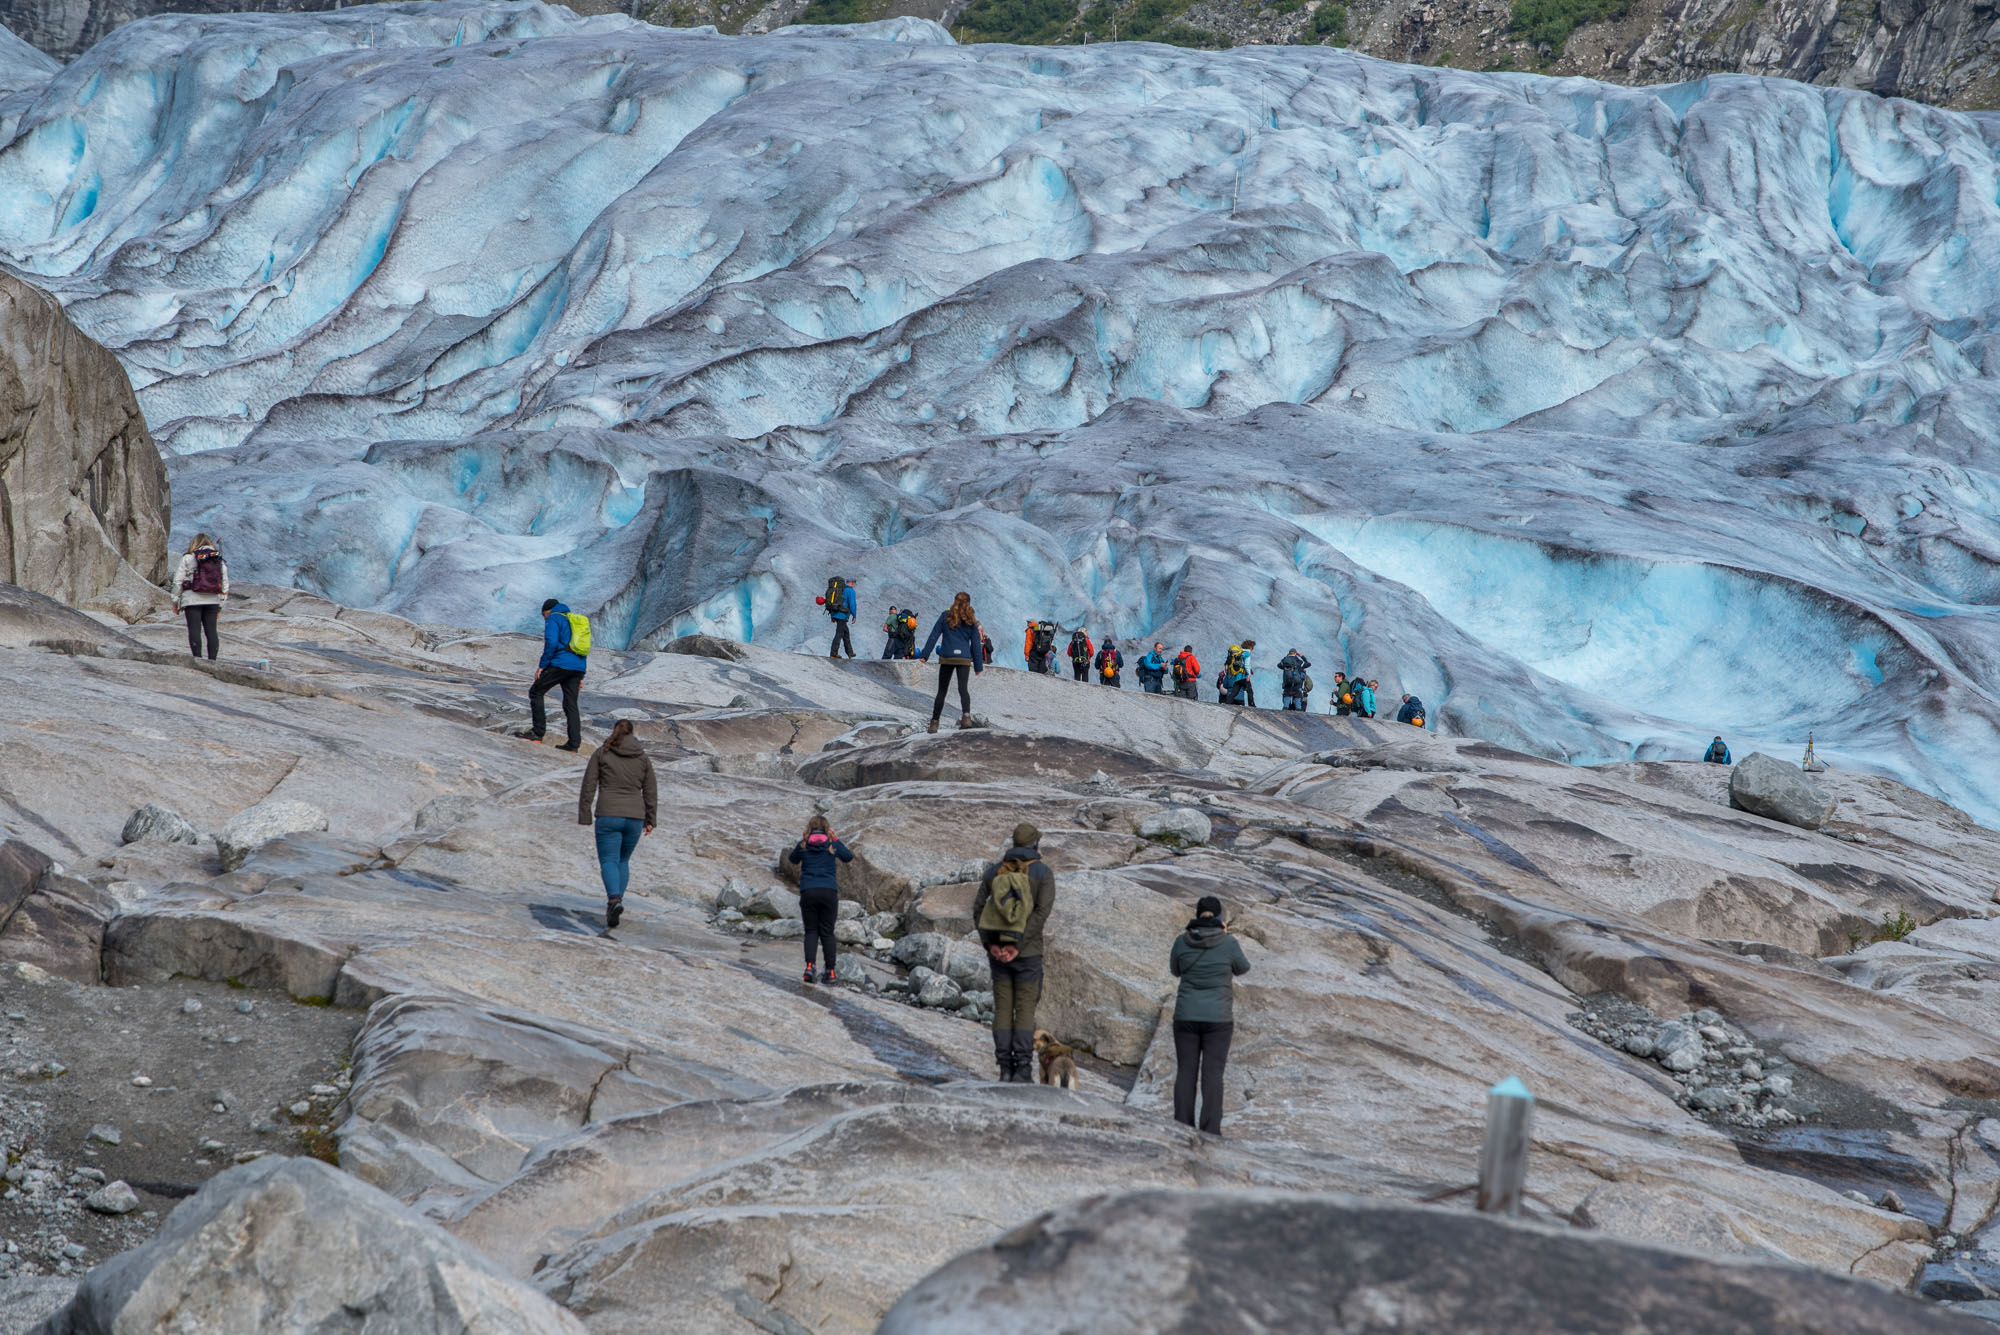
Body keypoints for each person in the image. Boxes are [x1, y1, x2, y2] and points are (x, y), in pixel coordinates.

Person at [972, 821, 1056, 1082]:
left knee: (1003, 1010)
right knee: (1026, 1011)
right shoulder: (1042, 873)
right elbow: (1041, 913)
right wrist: (1016, 945)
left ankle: (1004, 1068)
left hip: (997, 955)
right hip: (1027, 954)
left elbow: (977, 910)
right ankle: (1022, 1068)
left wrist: (992, 945)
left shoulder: (993, 872)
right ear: (1035, 845)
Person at [1169, 895, 1250, 1136]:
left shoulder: (1182, 942)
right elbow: (1243, 968)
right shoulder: (1229, 943)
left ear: (1197, 915)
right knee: (1213, 1075)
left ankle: (1182, 1126)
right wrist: (1224, 936)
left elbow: (1175, 970)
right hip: (1218, 1020)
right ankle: (1211, 1130)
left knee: (1186, 1072)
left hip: (1185, 1017)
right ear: (1219, 918)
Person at [577, 719, 656, 929]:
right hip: (635, 817)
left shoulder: (603, 752)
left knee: (609, 860)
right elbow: (650, 791)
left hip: (608, 814)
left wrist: (584, 814)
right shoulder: (642, 757)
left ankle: (614, 900)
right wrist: (650, 820)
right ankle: (616, 902)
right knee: (623, 861)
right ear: (632, 733)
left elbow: (589, 784)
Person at [789, 815, 854, 984]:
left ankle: (810, 968)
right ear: (827, 829)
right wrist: (836, 839)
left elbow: (792, 859)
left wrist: (802, 840)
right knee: (827, 933)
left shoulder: (804, 845)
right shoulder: (832, 845)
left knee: (811, 931)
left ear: (809, 829)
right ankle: (830, 972)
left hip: (808, 891)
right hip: (828, 892)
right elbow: (848, 857)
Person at [519, 598, 588, 751]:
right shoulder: (574, 620)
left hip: (560, 663)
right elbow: (583, 647)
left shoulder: (554, 618)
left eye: (544, 616)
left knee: (536, 692)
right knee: (571, 704)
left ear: (547, 611)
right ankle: (573, 745)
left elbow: (551, 642)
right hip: (577, 667)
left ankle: (537, 733)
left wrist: (542, 666)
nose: (545, 619)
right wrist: (581, 675)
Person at [917, 591, 986, 733]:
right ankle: (966, 718)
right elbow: (976, 644)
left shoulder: (945, 616)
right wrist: (978, 665)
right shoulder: (971, 620)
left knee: (942, 690)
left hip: (947, 656)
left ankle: (934, 723)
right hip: (964, 658)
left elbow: (934, 635)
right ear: (968, 602)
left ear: (955, 601)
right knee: (963, 689)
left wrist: (925, 655)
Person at [171, 533, 229, 661]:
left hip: (192, 599)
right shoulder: (217, 559)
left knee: (194, 629)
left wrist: (175, 601)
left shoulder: (188, 558)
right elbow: (225, 584)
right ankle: (212, 661)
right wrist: (220, 606)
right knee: (211, 631)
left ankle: (197, 659)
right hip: (213, 600)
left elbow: (178, 581)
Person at [824, 576, 858, 659]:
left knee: (846, 633)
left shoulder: (840, 589)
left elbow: (833, 601)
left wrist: (832, 615)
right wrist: (854, 615)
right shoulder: (850, 591)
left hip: (835, 612)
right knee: (839, 633)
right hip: (842, 614)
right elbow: (852, 604)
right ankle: (833, 653)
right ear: (852, 583)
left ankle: (850, 653)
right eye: (854, 583)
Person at [1220, 640, 1256, 707]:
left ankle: (1228, 702)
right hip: (1243, 676)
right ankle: (1252, 705)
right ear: (1251, 648)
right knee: (1250, 691)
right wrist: (1248, 674)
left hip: (1238, 675)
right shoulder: (1247, 654)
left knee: (1234, 691)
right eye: (1253, 647)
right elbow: (1247, 665)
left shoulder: (1239, 652)